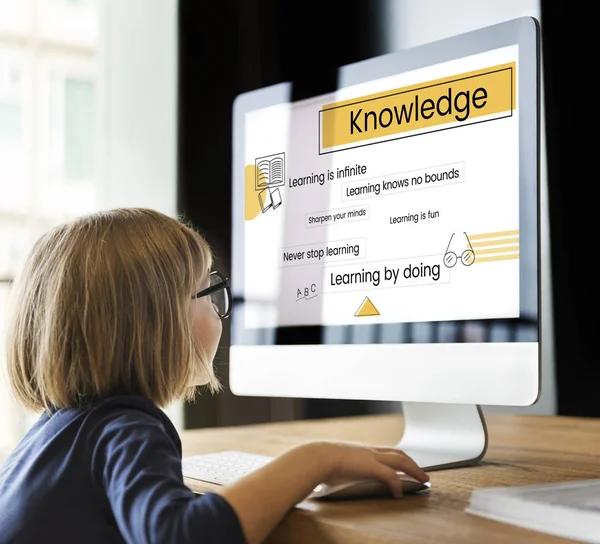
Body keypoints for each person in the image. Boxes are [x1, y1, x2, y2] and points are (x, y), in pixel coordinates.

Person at [0, 208, 429, 544]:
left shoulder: (52, 435)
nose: (220, 308)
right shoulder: (127, 429)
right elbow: (186, 536)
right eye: (208, 290)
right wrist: (315, 458)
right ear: (157, 322)